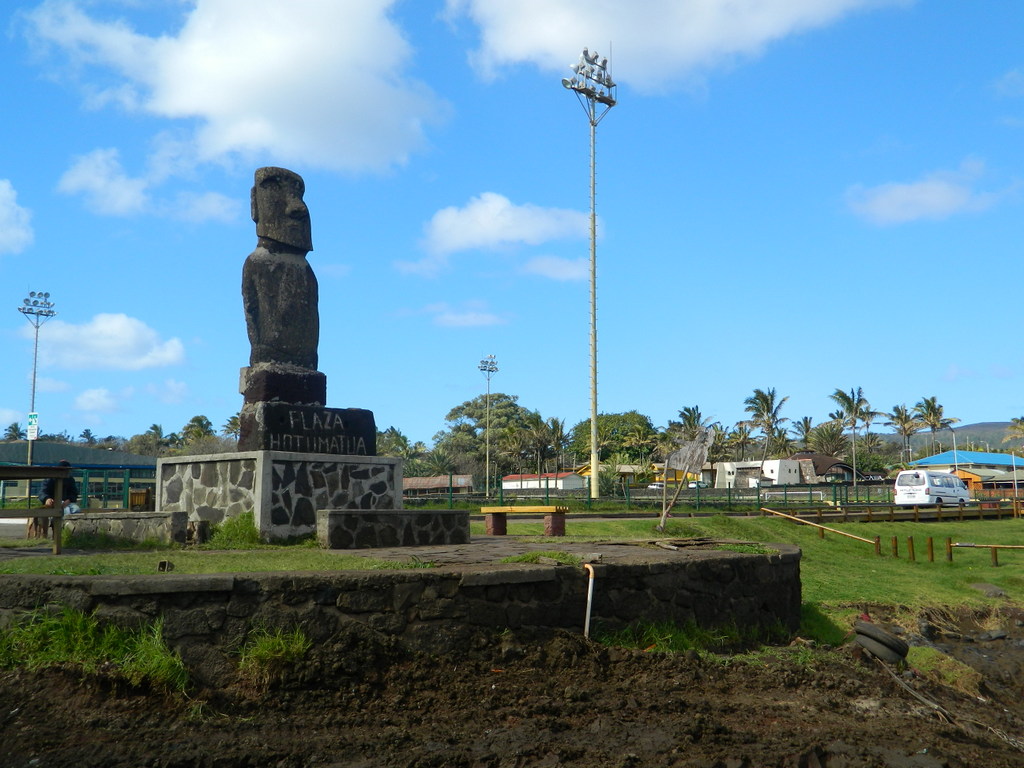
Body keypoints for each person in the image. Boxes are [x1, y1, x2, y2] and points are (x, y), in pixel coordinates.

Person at [28, 460, 80, 539]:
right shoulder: (50, 479)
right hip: (53, 502)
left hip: (66, 502)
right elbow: (42, 491)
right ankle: (60, 528)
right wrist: (47, 498)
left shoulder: (70, 479)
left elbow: (74, 493)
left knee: (76, 509)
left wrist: (69, 500)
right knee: (63, 511)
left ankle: (62, 527)